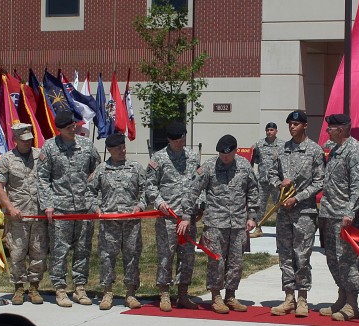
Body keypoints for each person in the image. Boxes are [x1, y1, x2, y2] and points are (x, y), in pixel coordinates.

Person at [181, 134, 259, 314]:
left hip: (239, 223)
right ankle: (216, 296)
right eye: (221, 154)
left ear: (235, 151)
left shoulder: (244, 166)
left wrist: (252, 216)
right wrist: (186, 214)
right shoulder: (209, 167)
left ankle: (230, 295)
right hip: (215, 223)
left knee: (236, 262)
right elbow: (192, 191)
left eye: (228, 154)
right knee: (216, 262)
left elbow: (253, 191)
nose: (224, 157)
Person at [37, 110, 101, 307]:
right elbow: (42, 178)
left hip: (84, 208)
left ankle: (80, 287)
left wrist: (94, 200)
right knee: (60, 250)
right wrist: (47, 203)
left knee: (83, 249)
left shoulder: (86, 146)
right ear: (59, 130)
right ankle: (60, 288)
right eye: (68, 128)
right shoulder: (49, 148)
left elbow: (97, 172)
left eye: (73, 125)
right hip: (60, 209)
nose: (73, 129)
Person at [268, 110, 324, 317]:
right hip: (284, 212)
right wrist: (278, 183)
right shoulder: (283, 149)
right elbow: (271, 173)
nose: (292, 127)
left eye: (296, 124)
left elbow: (320, 181)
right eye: (290, 124)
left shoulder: (315, 151)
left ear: (305, 126)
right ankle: (288, 297)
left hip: (304, 212)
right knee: (285, 256)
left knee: (302, 256)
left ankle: (302, 298)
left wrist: (298, 197)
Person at [145, 121, 201, 312]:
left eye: (183, 138)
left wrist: (199, 205)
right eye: (176, 139)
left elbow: (199, 184)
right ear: (169, 139)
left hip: (187, 216)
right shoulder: (158, 158)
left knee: (187, 257)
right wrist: (159, 202)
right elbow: (150, 185)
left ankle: (183, 294)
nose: (180, 142)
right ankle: (165, 293)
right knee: (166, 256)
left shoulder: (193, 158)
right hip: (168, 217)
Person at [87, 133, 146, 310]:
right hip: (109, 222)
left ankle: (130, 293)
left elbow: (146, 190)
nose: (122, 150)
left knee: (132, 257)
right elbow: (89, 192)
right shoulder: (101, 169)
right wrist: (96, 208)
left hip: (131, 223)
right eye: (118, 148)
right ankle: (107, 293)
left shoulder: (135, 167)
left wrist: (140, 205)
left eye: (124, 147)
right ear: (110, 150)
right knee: (107, 258)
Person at [317, 114, 359, 321]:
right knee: (332, 259)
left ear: (342, 129)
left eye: (331, 127)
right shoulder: (335, 150)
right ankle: (341, 296)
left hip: (344, 217)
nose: (328, 131)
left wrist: (350, 212)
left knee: (347, 260)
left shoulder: (354, 151)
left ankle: (352, 303)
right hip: (329, 213)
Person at [0, 123, 47, 305]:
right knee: (17, 253)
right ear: (15, 140)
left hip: (38, 214)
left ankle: (34, 288)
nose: (27, 143)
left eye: (30, 139)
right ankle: (18, 288)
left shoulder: (41, 156)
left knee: (38, 252)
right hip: (18, 215)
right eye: (23, 140)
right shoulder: (6, 159)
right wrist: (9, 207)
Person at [249, 122, 284, 237]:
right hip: (262, 181)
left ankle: (282, 229)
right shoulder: (259, 144)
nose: (269, 132)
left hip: (276, 181)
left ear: (276, 131)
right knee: (260, 205)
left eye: (272, 130)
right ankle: (258, 228)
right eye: (268, 130)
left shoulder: (282, 145)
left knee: (278, 205)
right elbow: (255, 159)